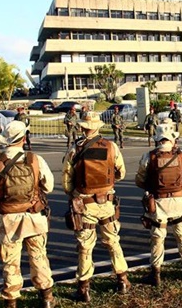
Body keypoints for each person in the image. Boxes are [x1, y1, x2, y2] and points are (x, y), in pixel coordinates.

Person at [0, 121, 56, 308]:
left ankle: (11, 301)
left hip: (8, 220)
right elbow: (49, 186)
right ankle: (46, 297)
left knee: (10, 262)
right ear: (24, 138)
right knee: (38, 256)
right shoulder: (35, 159)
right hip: (33, 216)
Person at [62, 112, 130, 299]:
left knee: (85, 246)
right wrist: (107, 183)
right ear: (98, 127)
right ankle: (122, 279)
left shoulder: (75, 149)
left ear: (83, 127)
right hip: (106, 202)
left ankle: (84, 287)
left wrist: (75, 192)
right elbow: (121, 172)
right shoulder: (111, 147)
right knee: (113, 241)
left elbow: (66, 179)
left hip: (84, 204)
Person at [135, 124, 182, 286]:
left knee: (157, 238)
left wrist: (152, 187)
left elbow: (139, 179)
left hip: (158, 203)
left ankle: (156, 274)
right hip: (179, 202)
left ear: (157, 139)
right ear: (172, 139)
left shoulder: (149, 156)